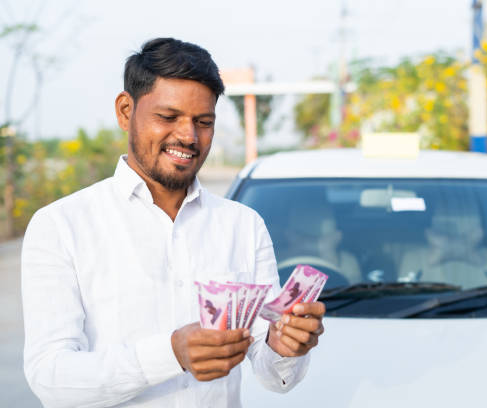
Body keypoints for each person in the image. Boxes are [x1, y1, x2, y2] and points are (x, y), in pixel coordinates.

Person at [21, 38, 325, 408]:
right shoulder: (61, 226)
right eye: (168, 117)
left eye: (204, 122)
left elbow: (272, 374)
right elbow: (51, 378)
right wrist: (170, 354)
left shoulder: (243, 226)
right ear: (124, 110)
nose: (188, 136)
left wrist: (285, 346)